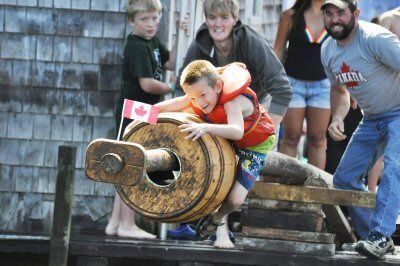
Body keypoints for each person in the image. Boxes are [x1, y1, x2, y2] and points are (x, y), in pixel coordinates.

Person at [155, 60, 276, 248]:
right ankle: (220, 236)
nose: (199, 103)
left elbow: (237, 131)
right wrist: (143, 112)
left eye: (203, 95)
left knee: (235, 200)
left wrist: (205, 127)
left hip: (253, 146)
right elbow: (178, 103)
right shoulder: (199, 94)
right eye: (194, 98)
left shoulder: (232, 100)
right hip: (226, 138)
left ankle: (216, 218)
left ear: (218, 86)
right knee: (218, 182)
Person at [320, 0, 400, 259]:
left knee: (394, 167)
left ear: (355, 13)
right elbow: (339, 89)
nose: (335, 19)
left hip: (398, 111)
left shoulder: (375, 39)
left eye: (341, 13)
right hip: (372, 117)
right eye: (329, 14)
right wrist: (337, 118)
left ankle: (380, 233)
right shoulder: (327, 50)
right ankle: (373, 237)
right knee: (344, 179)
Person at [106, 0, 188, 239]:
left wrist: (177, 29)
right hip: (135, 110)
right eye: (144, 19)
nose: (151, 24)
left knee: (126, 165)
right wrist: (172, 87)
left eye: (155, 18)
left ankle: (115, 222)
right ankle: (127, 225)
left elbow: (170, 62)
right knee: (136, 164)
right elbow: (147, 84)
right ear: (132, 21)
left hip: (144, 110)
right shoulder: (137, 46)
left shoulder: (151, 42)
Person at [175, 0, 292, 137]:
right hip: (217, 112)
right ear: (206, 20)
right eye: (212, 17)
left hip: (256, 108)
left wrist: (269, 128)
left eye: (224, 17)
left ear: (235, 19)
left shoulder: (253, 43)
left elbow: (283, 89)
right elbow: (180, 89)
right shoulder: (200, 45)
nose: (218, 24)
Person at [274, 0, 331, 169]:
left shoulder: (334, 16)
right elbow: (278, 50)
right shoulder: (290, 16)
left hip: (323, 85)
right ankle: (284, 188)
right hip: (292, 84)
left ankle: (316, 189)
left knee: (318, 139)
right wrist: (275, 83)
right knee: (291, 136)